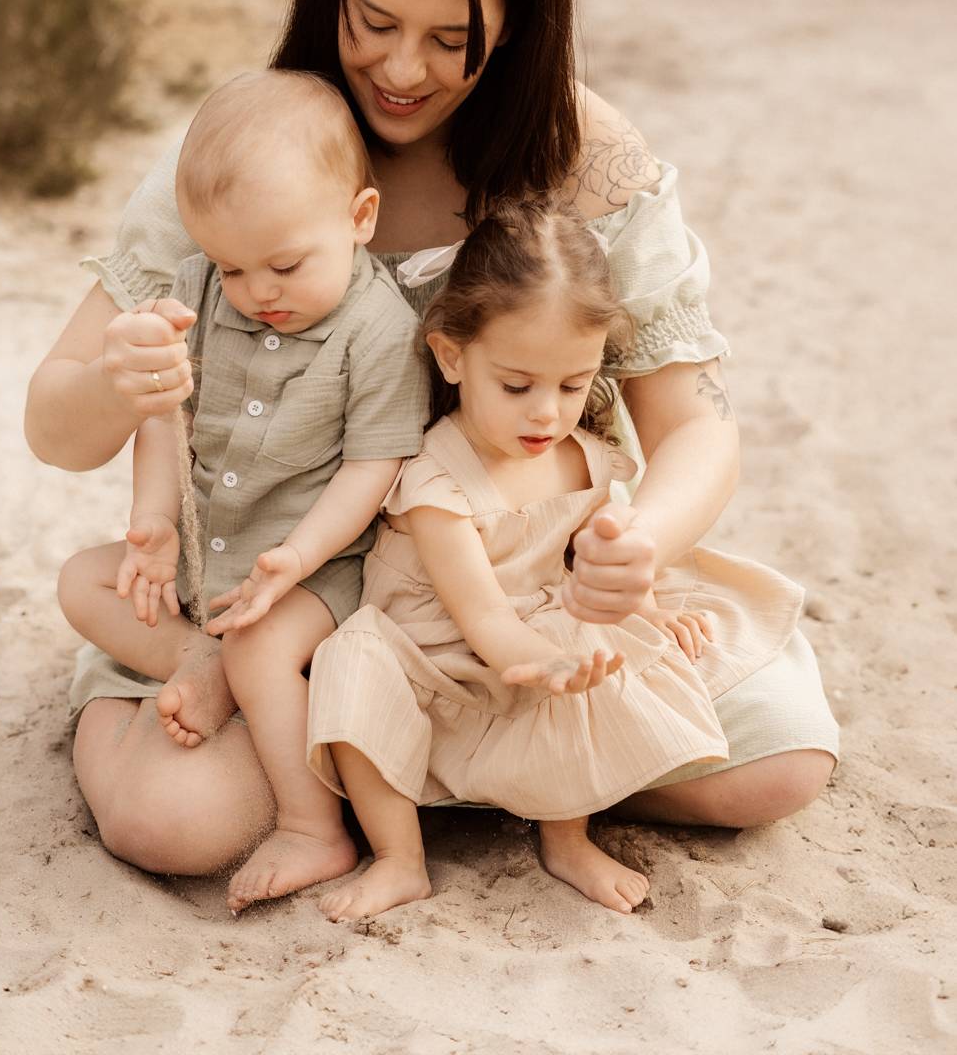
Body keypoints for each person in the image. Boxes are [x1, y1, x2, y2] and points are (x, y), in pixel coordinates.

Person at [26, 0, 838, 879]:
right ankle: (368, 742)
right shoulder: (260, 149)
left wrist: (637, 539)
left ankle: (422, 755)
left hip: (517, 578)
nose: (401, 69)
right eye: (370, 21)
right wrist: (119, 385)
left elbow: (694, 427)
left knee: (772, 766)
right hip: (292, 592)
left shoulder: (586, 159)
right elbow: (54, 420)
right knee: (165, 823)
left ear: (516, 22)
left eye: (450, 39)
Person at [307, 200, 809, 920]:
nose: (547, 412)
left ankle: (566, 836)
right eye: (517, 386)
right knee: (350, 661)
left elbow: (594, 562)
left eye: (573, 385)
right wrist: (540, 659)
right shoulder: (435, 483)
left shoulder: (589, 460)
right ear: (451, 355)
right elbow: (478, 614)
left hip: (536, 639)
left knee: (591, 639)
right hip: (436, 660)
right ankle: (399, 858)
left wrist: (647, 607)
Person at [56, 71, 429, 905]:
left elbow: (374, 468)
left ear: (359, 220)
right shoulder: (194, 291)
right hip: (204, 559)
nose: (259, 293)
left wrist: (296, 558)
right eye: (233, 267)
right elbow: (165, 416)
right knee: (82, 578)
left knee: (261, 649)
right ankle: (194, 655)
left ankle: (313, 830)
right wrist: (151, 520)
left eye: (285, 265)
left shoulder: (379, 331)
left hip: (315, 571)